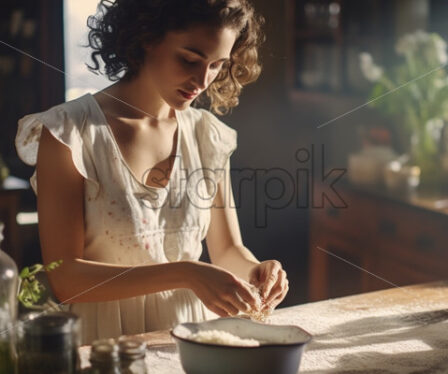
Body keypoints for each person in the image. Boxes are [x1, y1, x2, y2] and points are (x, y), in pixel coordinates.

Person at [15, 0, 288, 343]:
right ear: (146, 36)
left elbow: (228, 250)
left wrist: (256, 271)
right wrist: (186, 274)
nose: (202, 80)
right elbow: (66, 280)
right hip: (105, 344)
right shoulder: (71, 132)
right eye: (189, 59)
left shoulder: (207, 135)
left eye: (217, 65)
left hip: (190, 340)